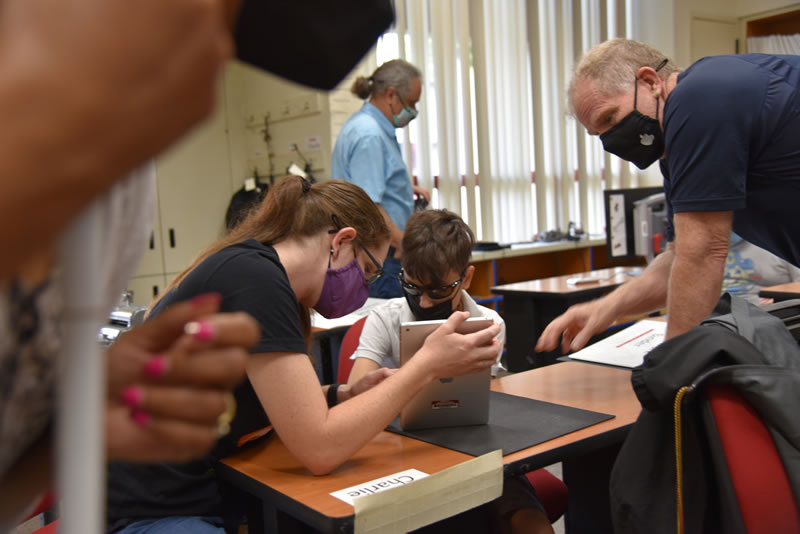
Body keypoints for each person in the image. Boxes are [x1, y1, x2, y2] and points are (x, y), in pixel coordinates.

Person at [106, 178, 501, 533]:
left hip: (200, 488)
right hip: (148, 508)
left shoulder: (258, 274)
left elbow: (270, 403)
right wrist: (425, 365)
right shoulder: (256, 281)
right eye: (366, 270)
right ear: (341, 241)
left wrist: (339, 395)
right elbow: (320, 449)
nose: (364, 290)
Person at [536, 38, 800, 353]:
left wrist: (675, 372)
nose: (611, 141)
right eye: (599, 135)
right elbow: (679, 258)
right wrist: (607, 307)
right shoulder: (677, 152)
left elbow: (701, 255)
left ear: (650, 82)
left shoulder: (700, 97)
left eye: (609, 118)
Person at [347, 209, 553, 534]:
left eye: (439, 290)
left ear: (467, 278)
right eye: (413, 288)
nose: (426, 303)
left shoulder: (487, 325)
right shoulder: (385, 319)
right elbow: (354, 392)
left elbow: (494, 401)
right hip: (402, 453)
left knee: (528, 520)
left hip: (474, 448)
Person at [331, 59, 431, 298]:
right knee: (389, 330)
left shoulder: (364, 126)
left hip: (377, 254)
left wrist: (405, 188)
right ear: (390, 94)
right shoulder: (371, 136)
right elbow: (370, 207)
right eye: (411, 103)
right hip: (381, 257)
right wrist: (404, 243)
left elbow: (366, 185)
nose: (414, 112)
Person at [723, 233, 800, 305]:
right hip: (719, 309)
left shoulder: (782, 244)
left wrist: (782, 300)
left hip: (763, 311)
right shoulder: (717, 245)